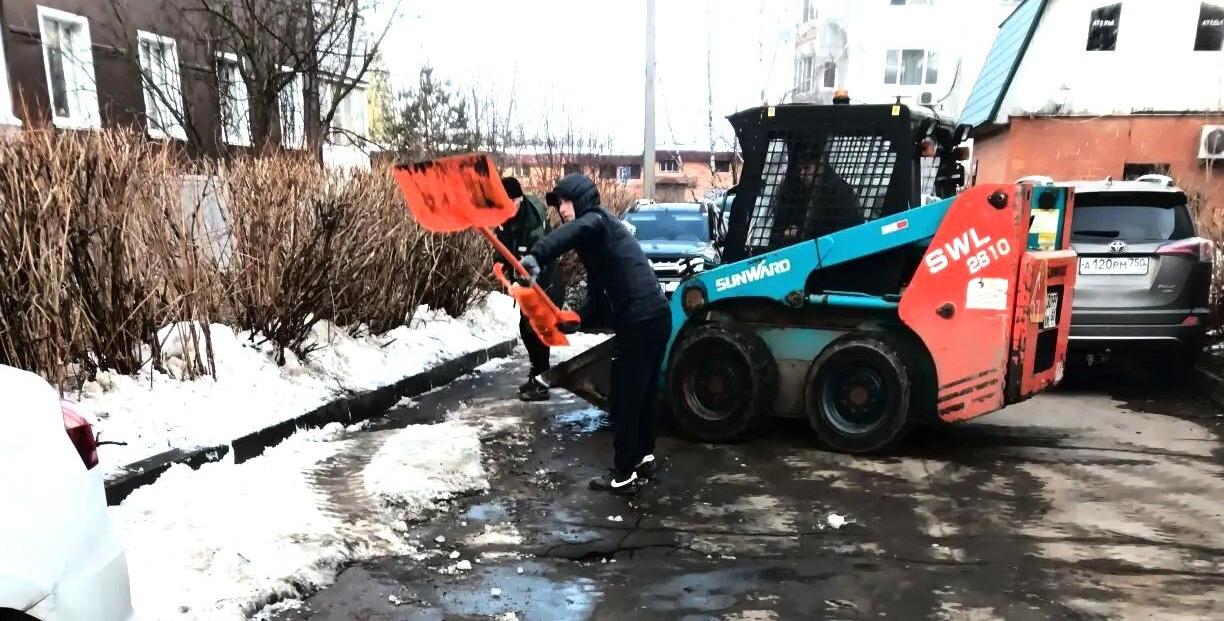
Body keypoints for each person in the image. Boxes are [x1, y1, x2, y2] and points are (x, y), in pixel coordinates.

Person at [519, 174, 671, 495]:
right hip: (656, 316)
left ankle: (623, 474)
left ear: (582, 199)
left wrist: (536, 256)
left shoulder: (596, 221)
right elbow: (600, 295)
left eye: (565, 201)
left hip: (639, 318)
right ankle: (643, 457)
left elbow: (574, 231)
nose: (561, 210)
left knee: (626, 397)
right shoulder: (602, 239)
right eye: (558, 205)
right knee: (644, 393)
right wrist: (578, 318)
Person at [497, 177, 564, 402]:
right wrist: (499, 261)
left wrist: (522, 283)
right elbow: (502, 242)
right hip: (526, 281)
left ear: (520, 199)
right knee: (526, 330)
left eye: (512, 203)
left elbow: (538, 258)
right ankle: (536, 375)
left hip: (545, 281)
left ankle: (542, 383)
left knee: (537, 331)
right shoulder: (505, 215)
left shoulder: (533, 221)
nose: (508, 209)